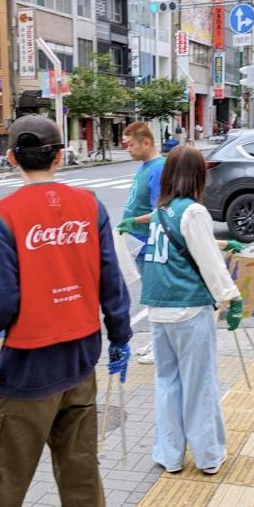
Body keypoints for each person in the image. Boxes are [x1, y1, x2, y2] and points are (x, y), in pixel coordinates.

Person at [0, 115, 132, 507]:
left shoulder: (3, 215)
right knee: (82, 479)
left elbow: (0, 306)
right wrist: (120, 336)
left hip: (25, 374)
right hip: (80, 364)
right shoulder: (90, 206)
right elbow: (112, 281)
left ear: (10, 158)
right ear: (60, 157)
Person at [140, 146, 243, 475]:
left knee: (168, 382)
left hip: (158, 311)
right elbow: (210, 264)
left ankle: (169, 455)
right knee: (200, 384)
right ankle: (209, 456)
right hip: (188, 309)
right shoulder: (193, 212)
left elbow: (189, 249)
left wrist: (224, 244)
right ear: (198, 176)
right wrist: (232, 297)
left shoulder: (161, 212)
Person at [115, 121, 165, 364]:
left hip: (149, 243)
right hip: (138, 242)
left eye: (131, 144)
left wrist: (133, 220)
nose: (128, 149)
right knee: (149, 295)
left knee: (154, 297)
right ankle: (156, 342)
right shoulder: (145, 166)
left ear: (146, 142)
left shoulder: (158, 168)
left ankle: (161, 347)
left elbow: (162, 211)